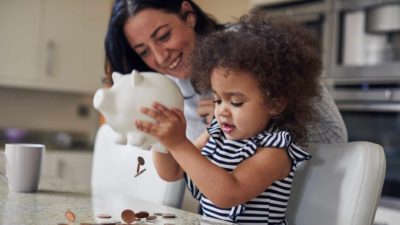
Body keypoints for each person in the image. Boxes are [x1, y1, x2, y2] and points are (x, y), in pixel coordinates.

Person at [135, 11, 321, 224]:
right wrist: (161, 141)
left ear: (275, 103)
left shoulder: (274, 153)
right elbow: (173, 171)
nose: (222, 110)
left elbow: (228, 194)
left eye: (236, 102)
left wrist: (178, 143)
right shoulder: (214, 134)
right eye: (217, 100)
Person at [104, 0, 348, 144]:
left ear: (188, 15)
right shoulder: (173, 87)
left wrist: (245, 122)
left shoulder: (247, 48)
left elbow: (333, 136)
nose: (159, 57)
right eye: (144, 51)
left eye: (164, 36)